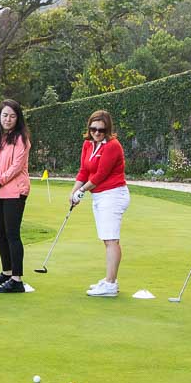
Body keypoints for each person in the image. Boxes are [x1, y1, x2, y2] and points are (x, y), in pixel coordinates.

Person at [70, 109, 128, 297]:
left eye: (101, 130)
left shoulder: (113, 146)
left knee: (111, 239)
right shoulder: (88, 145)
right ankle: (109, 280)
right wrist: (74, 192)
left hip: (113, 194)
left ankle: (110, 284)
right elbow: (83, 172)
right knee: (107, 239)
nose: (96, 133)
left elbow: (100, 175)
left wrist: (81, 191)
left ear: (107, 130)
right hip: (100, 196)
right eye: (93, 129)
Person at [0, 99, 32, 294]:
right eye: (5, 115)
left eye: (12, 116)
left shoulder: (21, 139)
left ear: (17, 118)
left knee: (12, 233)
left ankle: (17, 279)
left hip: (15, 191)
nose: (8, 119)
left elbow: (16, 167)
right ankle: (6, 271)